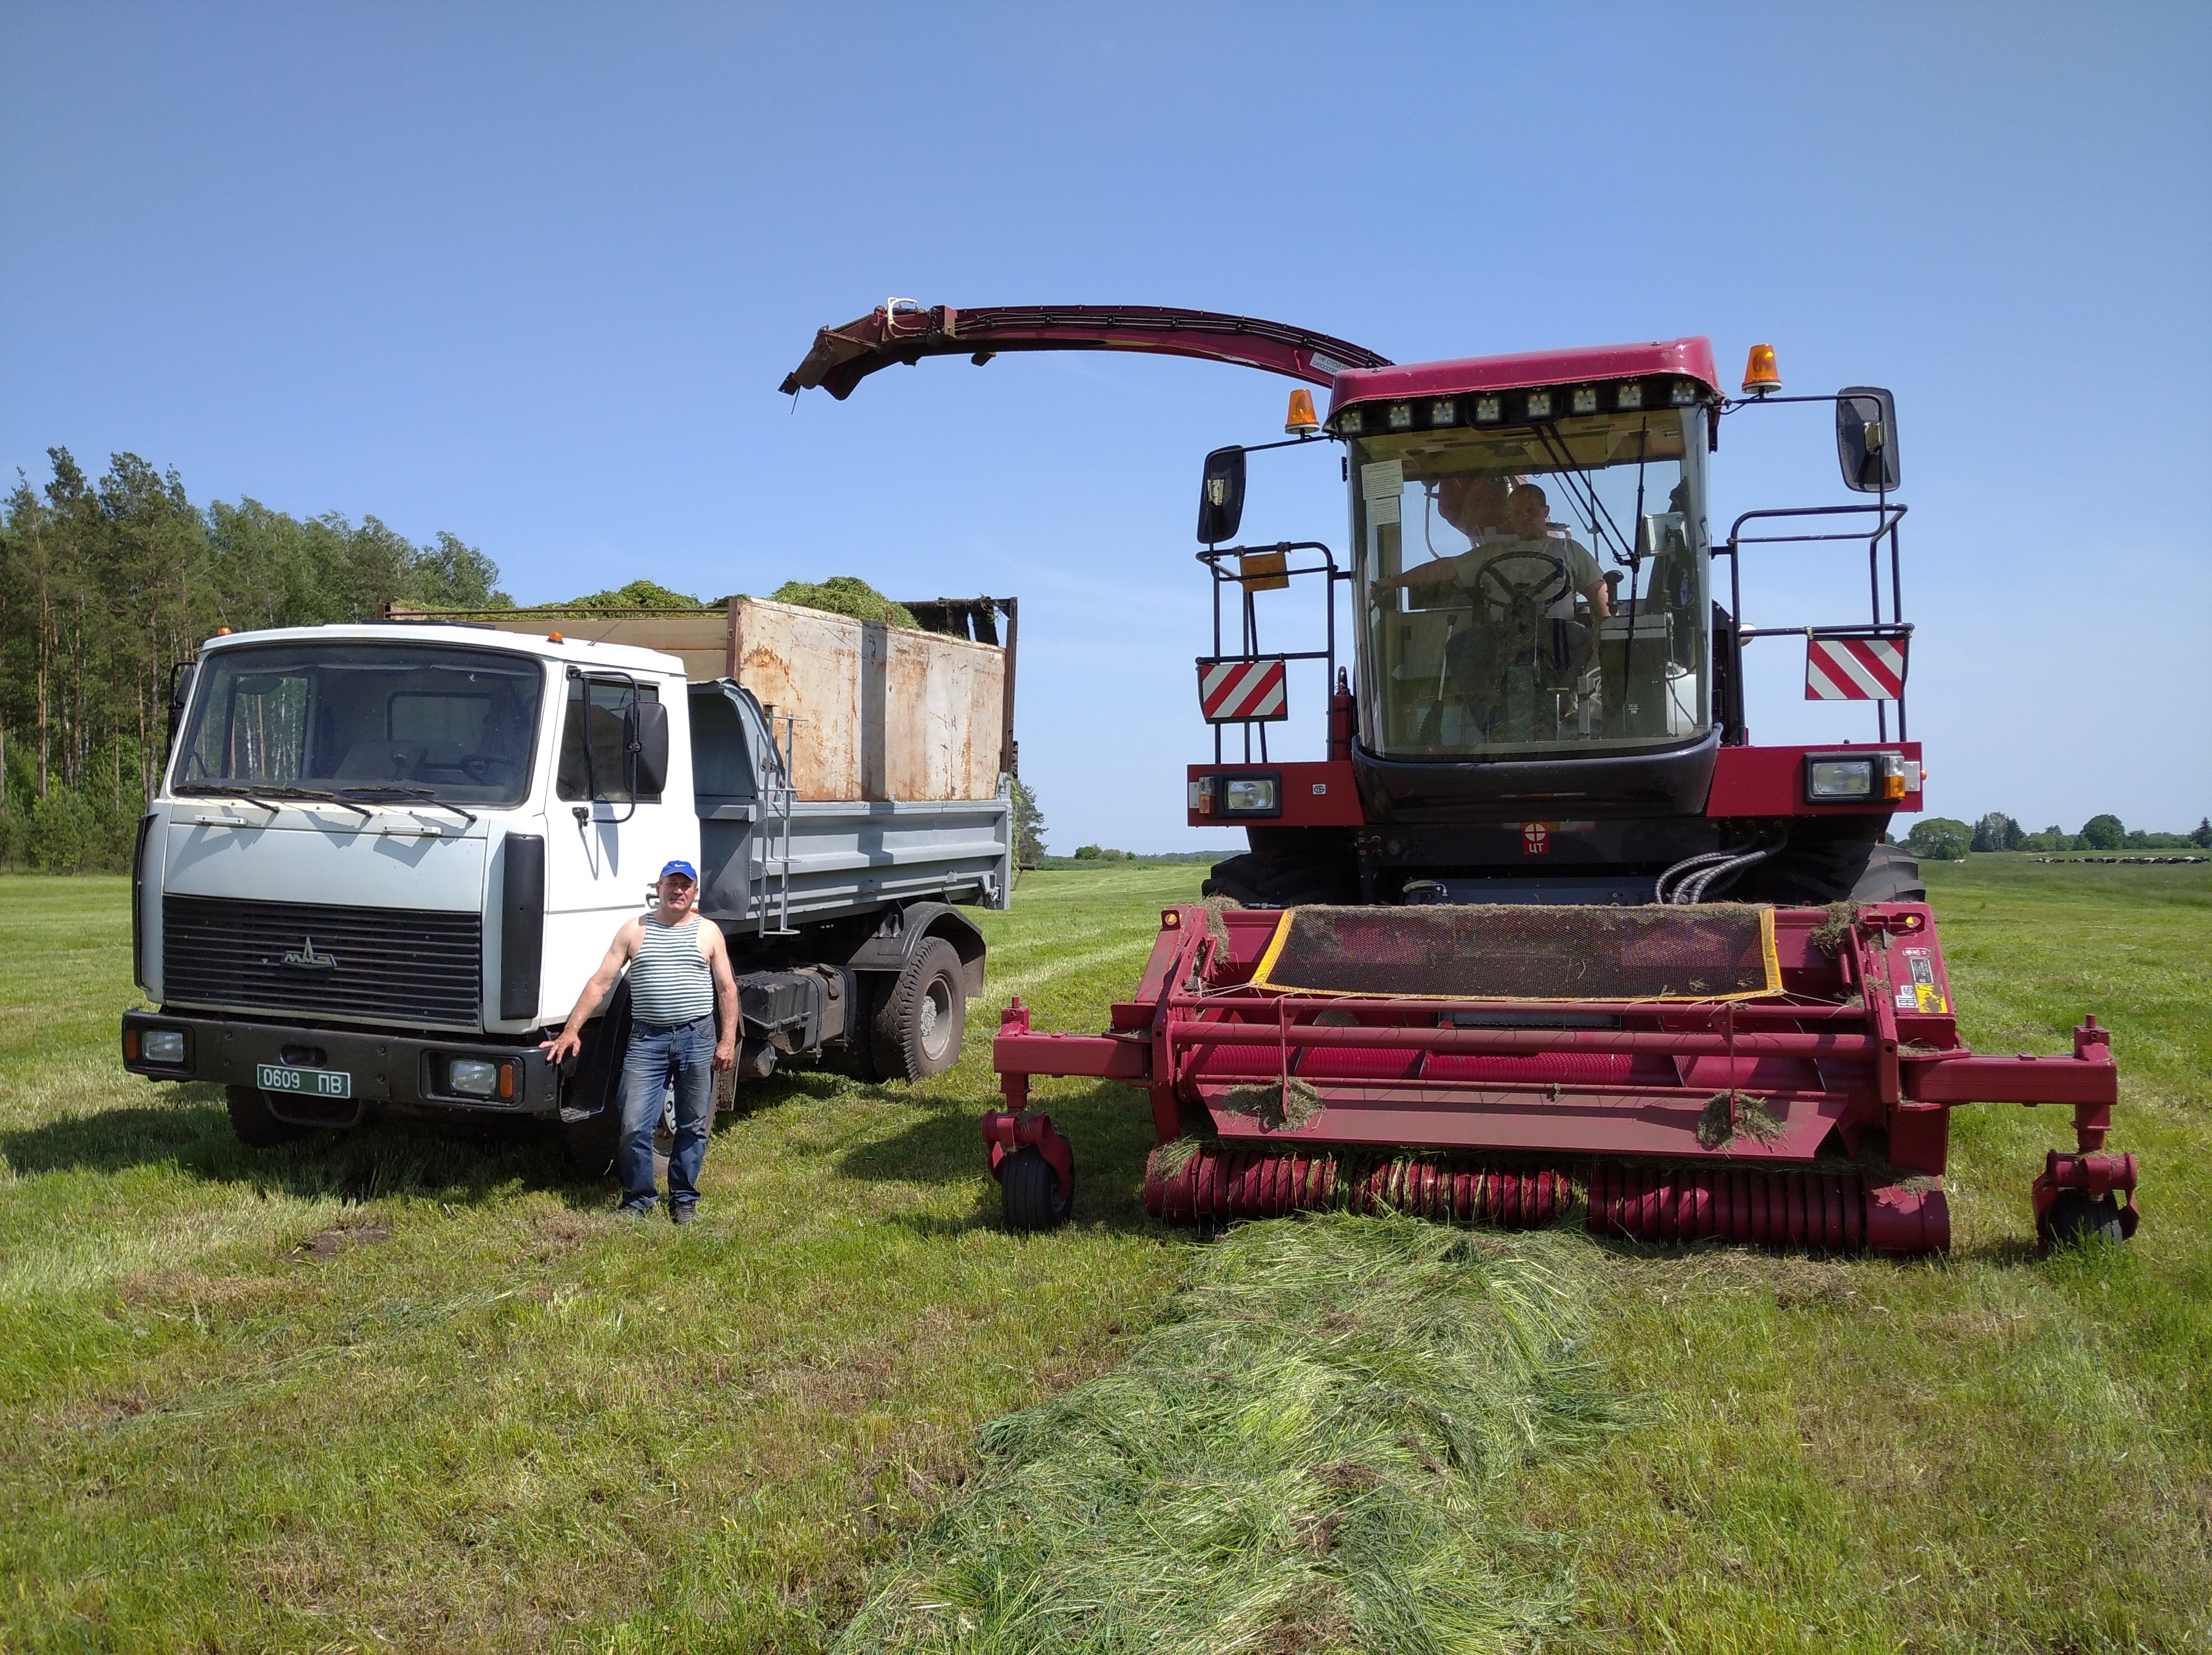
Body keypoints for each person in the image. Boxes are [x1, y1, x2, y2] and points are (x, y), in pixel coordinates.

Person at [541, 859, 737, 1222]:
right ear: (658, 888)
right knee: (634, 1124)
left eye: (685, 885)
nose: (678, 891)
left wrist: (727, 1041)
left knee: (693, 1123)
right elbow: (601, 983)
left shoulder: (708, 933)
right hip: (647, 1040)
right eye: (671, 884)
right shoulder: (634, 931)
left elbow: (727, 988)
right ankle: (639, 1200)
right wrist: (571, 1030)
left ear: (694, 892)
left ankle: (684, 1199)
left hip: (697, 1038)